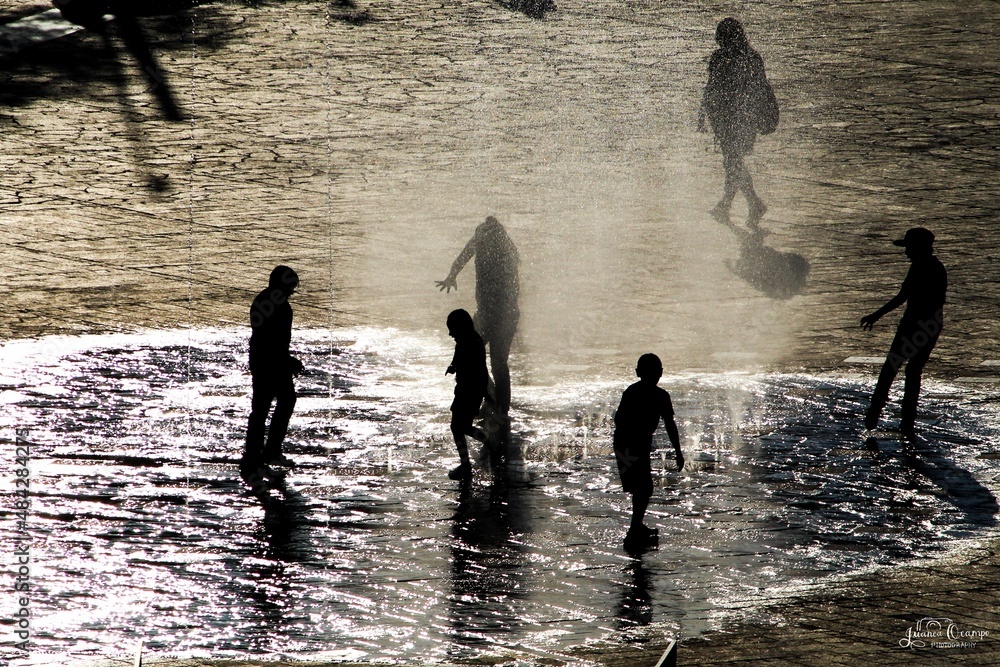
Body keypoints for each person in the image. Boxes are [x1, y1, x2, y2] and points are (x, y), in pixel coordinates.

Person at [860, 228, 947, 437]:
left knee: (892, 368)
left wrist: (876, 315)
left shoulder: (922, 268)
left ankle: (875, 414)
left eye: (909, 248)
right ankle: (906, 421)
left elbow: (902, 297)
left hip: (914, 325)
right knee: (913, 370)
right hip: (931, 325)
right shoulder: (934, 267)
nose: (906, 252)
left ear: (919, 248)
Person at [436, 216, 520, 417]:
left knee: (498, 362)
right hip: (485, 313)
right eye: (479, 238)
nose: (480, 243)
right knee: (470, 355)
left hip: (504, 315)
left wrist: (502, 316)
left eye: (485, 239)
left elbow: (513, 291)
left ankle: (502, 409)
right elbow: (462, 257)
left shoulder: (507, 256)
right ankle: (491, 398)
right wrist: (451, 276)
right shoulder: (480, 240)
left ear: (496, 239)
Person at [698, 17, 773, 228]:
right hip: (734, 118)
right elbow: (761, 87)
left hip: (735, 118)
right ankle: (744, 203)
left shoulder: (725, 58)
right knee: (733, 160)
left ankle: (737, 203)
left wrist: (703, 113)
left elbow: (712, 88)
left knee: (733, 161)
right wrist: (703, 113)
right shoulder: (749, 57)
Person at [613, 354, 684, 552]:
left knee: (641, 487)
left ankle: (636, 525)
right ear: (660, 373)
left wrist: (677, 451)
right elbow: (670, 425)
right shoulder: (658, 395)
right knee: (642, 487)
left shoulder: (634, 392)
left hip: (627, 443)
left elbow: (618, 419)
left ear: (638, 372)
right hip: (630, 443)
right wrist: (678, 451)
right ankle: (635, 528)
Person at [242, 266, 305, 489]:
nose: (291, 293)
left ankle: (257, 455)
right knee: (282, 402)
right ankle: (265, 454)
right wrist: (288, 361)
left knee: (262, 409)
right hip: (272, 364)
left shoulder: (264, 301)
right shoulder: (279, 308)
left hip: (263, 361)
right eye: (290, 288)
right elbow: (272, 342)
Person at [444, 309, 491, 481]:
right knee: (460, 426)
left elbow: (481, 370)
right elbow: (458, 359)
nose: (450, 334)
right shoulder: (465, 341)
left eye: (452, 330)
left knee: (458, 426)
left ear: (461, 328)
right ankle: (486, 443)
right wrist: (453, 367)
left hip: (470, 392)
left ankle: (468, 463)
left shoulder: (473, 344)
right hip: (465, 391)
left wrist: (484, 392)